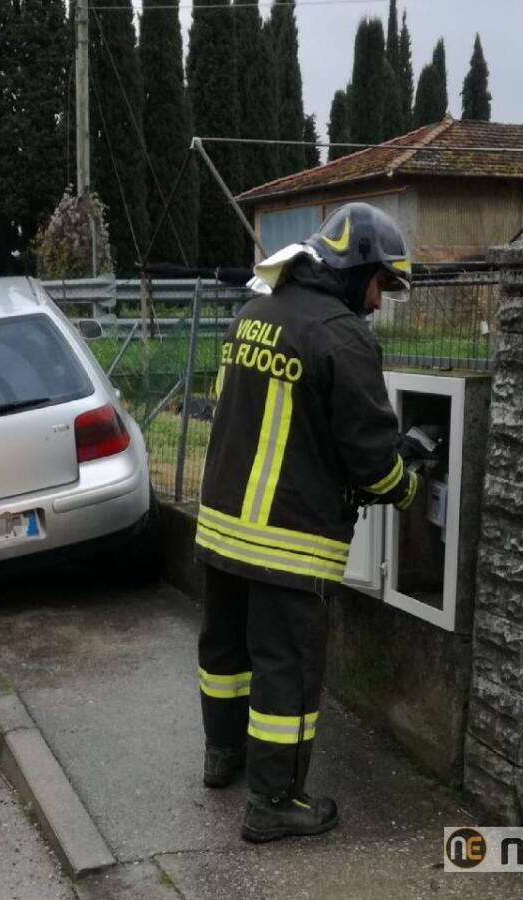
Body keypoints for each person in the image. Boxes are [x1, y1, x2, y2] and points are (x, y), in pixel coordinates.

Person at [194, 202, 421, 844]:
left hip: (220, 529)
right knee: (286, 674)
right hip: (288, 543)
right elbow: (372, 460)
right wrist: (408, 486)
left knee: (226, 654)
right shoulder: (341, 334)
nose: (378, 301)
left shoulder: (253, 314)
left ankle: (224, 758)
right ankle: (274, 802)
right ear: (354, 270)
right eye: (379, 283)